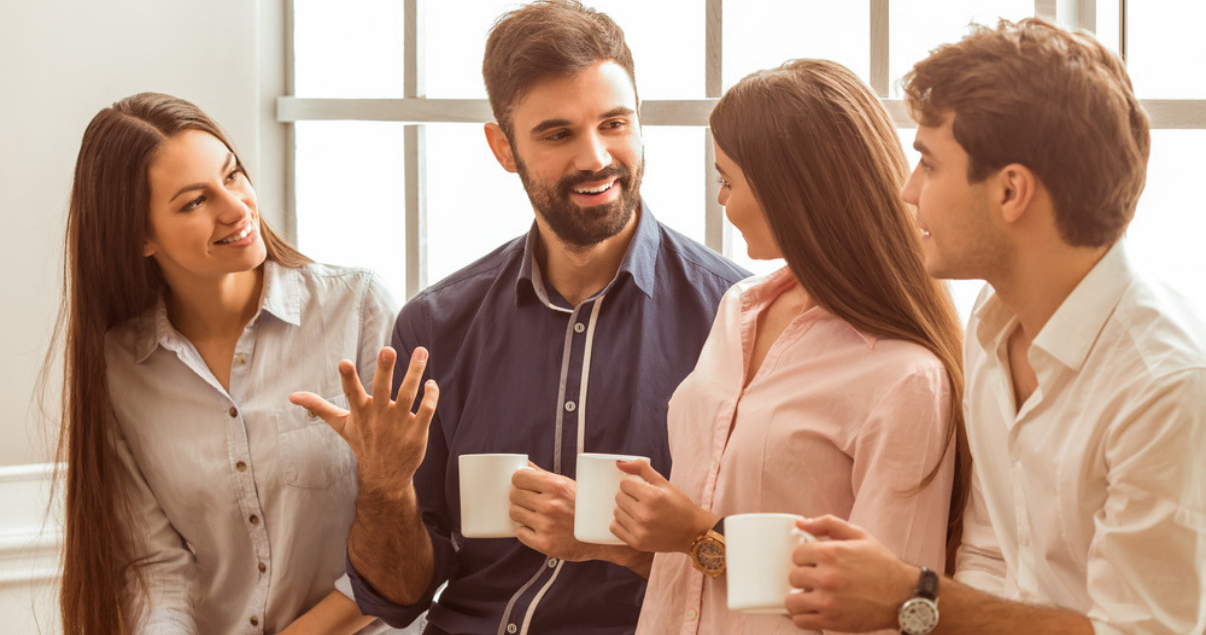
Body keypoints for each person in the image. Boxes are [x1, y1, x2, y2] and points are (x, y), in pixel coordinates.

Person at [289, 2, 747, 634]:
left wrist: (620, 543)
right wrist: (386, 487)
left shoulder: (735, 318)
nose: (595, 158)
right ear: (502, 147)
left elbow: (761, 574)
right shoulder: (434, 325)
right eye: (557, 134)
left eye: (615, 123)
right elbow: (398, 598)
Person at [783, 18, 1206, 635]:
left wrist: (912, 597)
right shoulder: (990, 323)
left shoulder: (1166, 384)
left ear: (1011, 192)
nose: (907, 191)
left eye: (928, 164)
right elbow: (988, 557)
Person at [603, 59, 968, 635]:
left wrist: (699, 535)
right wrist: (636, 535)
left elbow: (883, 609)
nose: (722, 202)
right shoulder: (739, 309)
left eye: (728, 180)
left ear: (790, 194)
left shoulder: (904, 378)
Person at [54, 93, 417, 635]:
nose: (236, 208)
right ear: (140, 236)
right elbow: (158, 570)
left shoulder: (358, 309)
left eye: (233, 175)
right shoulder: (120, 368)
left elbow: (414, 525)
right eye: (194, 202)